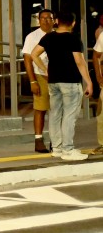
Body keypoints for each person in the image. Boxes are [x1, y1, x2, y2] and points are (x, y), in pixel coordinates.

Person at [29, 10, 93, 162]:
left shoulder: (49, 37)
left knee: (56, 115)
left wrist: (45, 70)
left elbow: (33, 54)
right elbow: (79, 61)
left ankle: (57, 148)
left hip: (53, 82)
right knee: (69, 116)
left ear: (56, 21)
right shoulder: (73, 39)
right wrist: (89, 82)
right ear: (73, 23)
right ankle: (68, 150)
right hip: (70, 82)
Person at [22, 9, 56, 153]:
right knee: (40, 109)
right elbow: (28, 60)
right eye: (43, 18)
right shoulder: (32, 37)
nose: (46, 20)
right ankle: (38, 139)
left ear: (54, 20)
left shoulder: (58, 34)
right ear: (38, 20)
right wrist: (32, 81)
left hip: (57, 77)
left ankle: (56, 141)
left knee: (57, 110)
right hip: (40, 76)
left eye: (49, 18)